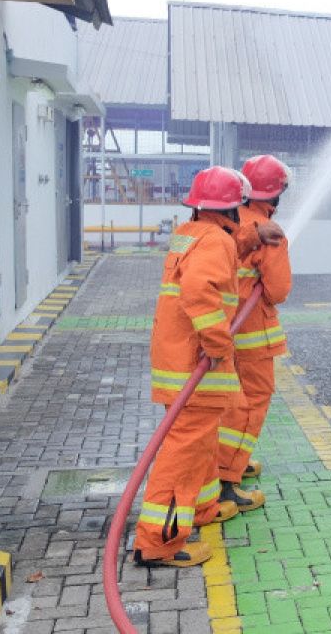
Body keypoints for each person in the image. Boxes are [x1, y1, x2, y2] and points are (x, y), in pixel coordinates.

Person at [133, 166, 249, 568]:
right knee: (182, 455)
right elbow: (199, 289)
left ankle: (200, 511)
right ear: (233, 208)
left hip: (177, 364)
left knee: (198, 447)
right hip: (195, 368)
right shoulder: (217, 242)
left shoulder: (192, 233)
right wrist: (218, 344)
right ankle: (157, 543)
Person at [216, 155, 292, 504]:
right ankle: (228, 480)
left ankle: (236, 462)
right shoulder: (268, 232)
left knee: (231, 405)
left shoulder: (228, 225)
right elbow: (278, 290)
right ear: (274, 195)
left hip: (222, 335)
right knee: (251, 406)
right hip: (254, 340)